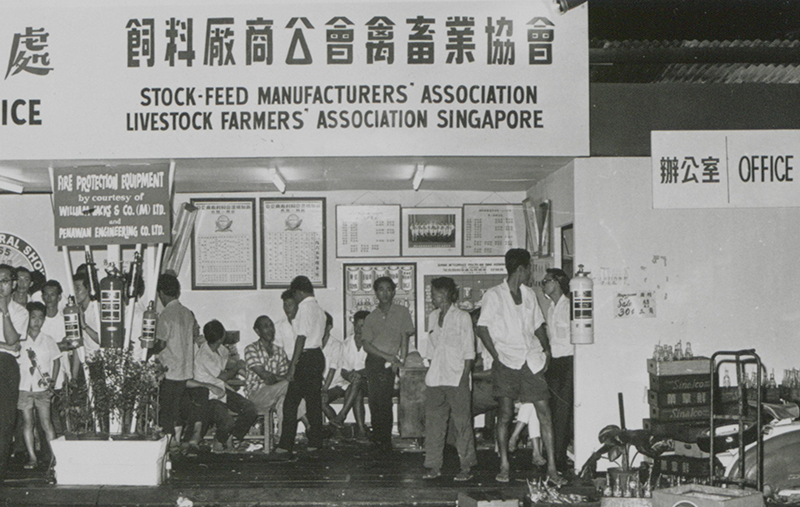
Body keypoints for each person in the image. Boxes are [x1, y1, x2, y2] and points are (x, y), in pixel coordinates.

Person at [476, 249, 565, 485]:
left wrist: (546, 351)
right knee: (505, 414)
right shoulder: (494, 295)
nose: (530, 274)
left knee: (544, 412)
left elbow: (537, 326)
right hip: (506, 360)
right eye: (529, 269)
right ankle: (504, 464)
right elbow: (482, 328)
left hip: (530, 359)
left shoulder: (529, 294)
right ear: (520, 269)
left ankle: (552, 468)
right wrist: (496, 355)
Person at [422, 277, 476, 481]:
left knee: (462, 424)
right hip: (436, 379)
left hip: (457, 378)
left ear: (444, 294)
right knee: (434, 425)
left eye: (434, 294)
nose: (432, 297)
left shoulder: (462, 317)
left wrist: (464, 378)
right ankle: (433, 466)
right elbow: (430, 350)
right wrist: (430, 370)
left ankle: (466, 467)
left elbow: (469, 352)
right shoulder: (433, 317)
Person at [361, 276, 415, 451]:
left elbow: (404, 338)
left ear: (393, 292)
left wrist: (401, 361)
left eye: (388, 289)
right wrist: (387, 356)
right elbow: (366, 345)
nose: (385, 293)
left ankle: (384, 439)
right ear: (376, 293)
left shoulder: (402, 312)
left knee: (384, 400)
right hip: (374, 361)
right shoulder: (371, 317)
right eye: (381, 289)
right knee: (374, 401)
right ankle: (377, 437)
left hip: (391, 363)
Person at [145, 273, 196, 455]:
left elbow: (161, 344)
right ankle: (176, 441)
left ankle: (170, 444)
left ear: (161, 293)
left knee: (166, 410)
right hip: (184, 370)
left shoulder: (166, 315)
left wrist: (145, 351)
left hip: (169, 370)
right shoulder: (187, 313)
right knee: (177, 409)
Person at [275, 276, 326, 455]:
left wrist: (293, 366)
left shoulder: (305, 307)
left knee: (290, 403)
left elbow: (301, 338)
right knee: (313, 403)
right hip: (317, 356)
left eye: (294, 295)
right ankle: (315, 442)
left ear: (299, 292)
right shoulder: (320, 309)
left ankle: (285, 444)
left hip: (305, 358)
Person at [189, 320, 257, 453]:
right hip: (210, 395)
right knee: (227, 422)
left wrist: (242, 368)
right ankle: (220, 440)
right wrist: (237, 367)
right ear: (222, 337)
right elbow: (223, 376)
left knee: (250, 409)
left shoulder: (220, 349)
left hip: (223, 390)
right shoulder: (204, 356)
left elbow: (228, 363)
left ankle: (230, 437)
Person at [244, 315, 307, 443]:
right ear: (257, 331)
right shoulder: (251, 349)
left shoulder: (279, 351)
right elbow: (264, 375)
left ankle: (282, 439)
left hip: (276, 394)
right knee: (291, 385)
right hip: (256, 395)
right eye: (265, 326)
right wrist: (280, 378)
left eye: (271, 325)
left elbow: (281, 377)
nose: (270, 329)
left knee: (285, 400)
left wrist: (277, 379)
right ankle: (308, 423)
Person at [17, 302, 60, 470]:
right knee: (28, 423)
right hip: (24, 387)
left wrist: (52, 383)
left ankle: (55, 459)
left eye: (40, 318)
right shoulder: (20, 340)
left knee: (46, 423)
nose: (36, 321)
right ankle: (32, 457)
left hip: (43, 389)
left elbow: (56, 361)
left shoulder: (48, 340)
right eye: (33, 317)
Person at [542, 268, 574, 474]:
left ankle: (559, 458)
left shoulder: (569, 307)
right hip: (553, 361)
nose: (544, 285)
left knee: (562, 412)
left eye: (546, 281)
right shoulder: (551, 308)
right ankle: (554, 456)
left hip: (568, 362)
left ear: (557, 283)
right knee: (553, 411)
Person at [0, 264, 26, 480]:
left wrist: (4, 311)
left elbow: (12, 340)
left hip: (7, 365)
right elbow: (9, 343)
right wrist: (7, 345)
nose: (0, 286)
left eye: (5, 281)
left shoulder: (20, 311)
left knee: (6, 420)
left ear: (13, 284)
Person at [329, 310, 369, 439]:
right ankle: (361, 430)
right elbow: (343, 370)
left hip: (370, 383)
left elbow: (374, 368)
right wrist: (350, 376)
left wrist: (358, 374)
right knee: (356, 391)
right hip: (353, 384)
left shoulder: (373, 343)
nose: (360, 329)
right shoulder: (346, 344)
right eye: (357, 325)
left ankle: (341, 416)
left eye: (363, 326)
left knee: (356, 383)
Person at [39, 280, 72, 436]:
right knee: (44, 420)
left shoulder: (66, 319)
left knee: (62, 418)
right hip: (41, 375)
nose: (49, 298)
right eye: (46, 294)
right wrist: (59, 345)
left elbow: (70, 346)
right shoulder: (39, 320)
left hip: (61, 375)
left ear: (59, 297)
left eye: (52, 294)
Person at [275, 290, 298, 354]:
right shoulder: (278, 326)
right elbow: (278, 350)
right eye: (285, 304)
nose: (287, 308)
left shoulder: (305, 323)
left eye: (290, 305)